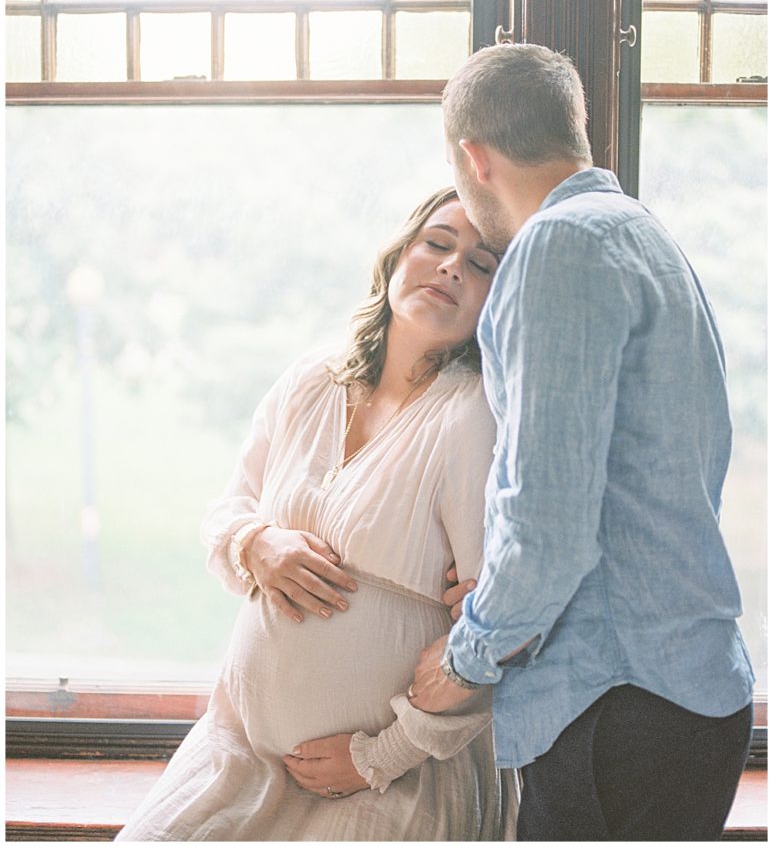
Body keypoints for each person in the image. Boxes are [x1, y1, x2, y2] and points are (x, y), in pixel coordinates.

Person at [408, 43, 755, 841]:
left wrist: (468, 658)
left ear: (473, 156)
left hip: (615, 704)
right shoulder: (642, 237)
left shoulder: (557, 249)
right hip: (681, 692)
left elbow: (549, 518)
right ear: (575, 130)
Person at [116, 187, 517, 842]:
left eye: (480, 264)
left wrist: (376, 757)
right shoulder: (311, 379)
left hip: (392, 774)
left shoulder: (470, 415)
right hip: (238, 754)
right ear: (398, 256)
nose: (450, 267)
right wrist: (254, 542)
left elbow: (493, 635)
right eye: (437, 244)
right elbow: (226, 510)